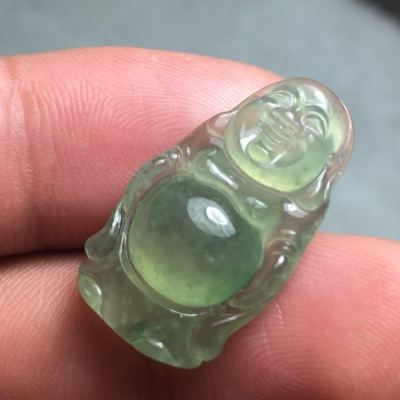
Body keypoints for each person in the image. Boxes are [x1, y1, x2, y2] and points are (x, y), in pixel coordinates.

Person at [0, 47, 399, 400]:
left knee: (184, 326)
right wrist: (113, 237)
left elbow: (271, 274)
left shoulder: (287, 215)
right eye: (280, 105)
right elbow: (149, 180)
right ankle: (111, 284)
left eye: (310, 126)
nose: (286, 124)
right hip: (131, 256)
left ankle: (174, 334)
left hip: (203, 293)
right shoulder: (201, 153)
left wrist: (222, 319)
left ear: (322, 167)